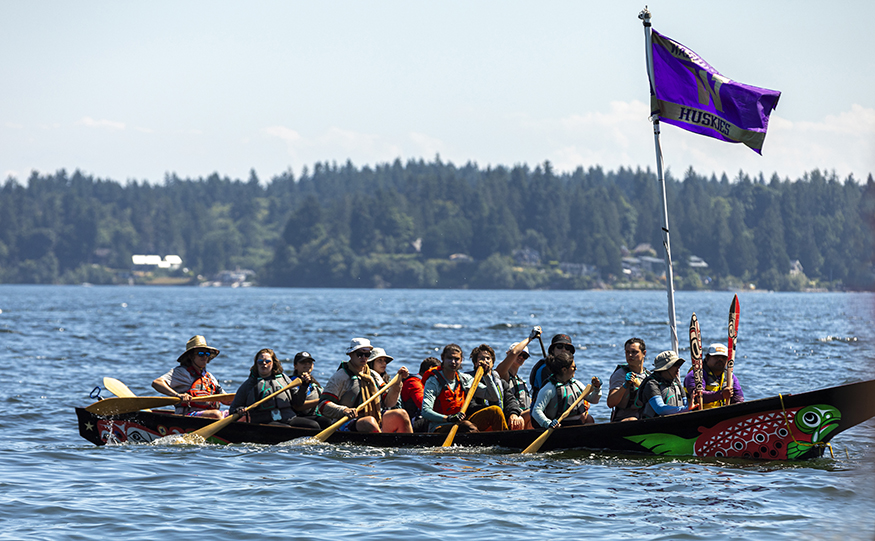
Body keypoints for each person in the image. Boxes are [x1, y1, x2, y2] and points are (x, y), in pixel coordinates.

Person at [317, 338, 413, 433]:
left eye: (367, 355)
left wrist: (398, 383)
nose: (363, 357)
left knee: (401, 414)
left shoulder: (374, 375)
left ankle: (407, 445)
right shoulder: (340, 377)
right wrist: (344, 410)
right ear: (350, 354)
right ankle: (381, 443)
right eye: (359, 354)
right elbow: (323, 405)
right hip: (346, 422)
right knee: (369, 422)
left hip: (375, 418)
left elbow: (389, 403)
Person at [420, 343, 505, 433]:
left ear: (461, 361)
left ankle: (503, 441)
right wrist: (448, 418)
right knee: (467, 426)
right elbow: (425, 412)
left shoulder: (465, 379)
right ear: (442, 358)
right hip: (440, 426)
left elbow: (493, 397)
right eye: (449, 358)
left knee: (495, 411)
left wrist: (486, 375)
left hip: (460, 423)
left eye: (456, 359)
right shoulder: (433, 381)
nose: (453, 362)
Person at [228, 349, 320, 429]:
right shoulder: (250, 384)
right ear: (256, 364)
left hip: (288, 418)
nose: (264, 364)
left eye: (267, 361)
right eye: (260, 361)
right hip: (265, 421)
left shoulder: (283, 379)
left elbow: (298, 402)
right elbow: (233, 408)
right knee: (287, 429)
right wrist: (239, 410)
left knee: (314, 425)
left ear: (273, 363)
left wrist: (304, 386)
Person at [151, 335, 233, 419]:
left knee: (244, 414)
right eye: (200, 354)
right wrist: (178, 395)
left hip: (211, 415)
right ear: (190, 356)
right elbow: (157, 383)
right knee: (216, 414)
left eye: (207, 354)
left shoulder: (210, 377)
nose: (204, 357)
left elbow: (226, 400)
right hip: (187, 416)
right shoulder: (181, 372)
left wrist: (244, 399)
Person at [531, 350, 601, 429]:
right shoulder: (549, 388)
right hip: (560, 428)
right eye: (573, 367)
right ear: (564, 370)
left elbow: (594, 400)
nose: (576, 369)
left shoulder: (577, 384)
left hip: (578, 425)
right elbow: (536, 411)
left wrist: (597, 389)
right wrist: (548, 423)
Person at [495, 326, 540, 428]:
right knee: (534, 412)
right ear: (508, 354)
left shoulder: (521, 382)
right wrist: (530, 338)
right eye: (519, 354)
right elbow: (514, 352)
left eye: (524, 356)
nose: (521, 357)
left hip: (525, 418)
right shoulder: (502, 374)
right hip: (512, 418)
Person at [637, 351, 702, 418]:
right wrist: (686, 409)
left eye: (679, 364)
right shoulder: (651, 384)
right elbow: (660, 409)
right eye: (675, 364)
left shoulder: (676, 382)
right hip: (656, 425)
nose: (678, 367)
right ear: (665, 368)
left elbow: (686, 406)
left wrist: (692, 408)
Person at [683, 343, 745, 408]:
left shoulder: (730, 377)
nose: (720, 359)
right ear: (707, 358)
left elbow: (738, 399)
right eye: (716, 356)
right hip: (699, 413)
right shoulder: (695, 374)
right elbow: (697, 396)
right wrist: (721, 395)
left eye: (724, 357)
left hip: (720, 414)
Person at [466, 344, 510, 431]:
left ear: (492, 363)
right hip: (475, 420)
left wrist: (514, 414)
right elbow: (471, 406)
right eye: (481, 358)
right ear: (475, 363)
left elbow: (510, 401)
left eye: (488, 358)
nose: (485, 361)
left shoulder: (501, 382)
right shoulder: (468, 380)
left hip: (498, 419)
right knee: (495, 411)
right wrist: (490, 412)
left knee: (525, 414)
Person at [606, 337, 651, 422]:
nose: (630, 355)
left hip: (643, 419)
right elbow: (610, 403)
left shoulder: (648, 376)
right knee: (633, 420)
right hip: (623, 420)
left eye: (634, 352)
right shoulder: (620, 374)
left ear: (644, 353)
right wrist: (625, 385)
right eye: (627, 352)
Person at [290, 351, 334, 429]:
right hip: (298, 416)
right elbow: (297, 406)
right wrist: (321, 400)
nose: (307, 364)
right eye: (303, 362)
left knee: (328, 421)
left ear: (313, 365)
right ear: (295, 366)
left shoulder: (315, 383)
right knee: (316, 425)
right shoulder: (292, 382)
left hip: (313, 415)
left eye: (309, 362)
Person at [529, 333, 576, 401]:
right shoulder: (545, 369)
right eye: (559, 346)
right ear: (552, 350)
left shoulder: (569, 369)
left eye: (567, 348)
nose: (563, 350)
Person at [401, 357, 442, 432]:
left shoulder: (425, 383)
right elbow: (423, 406)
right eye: (439, 372)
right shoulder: (414, 383)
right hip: (411, 422)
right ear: (431, 369)